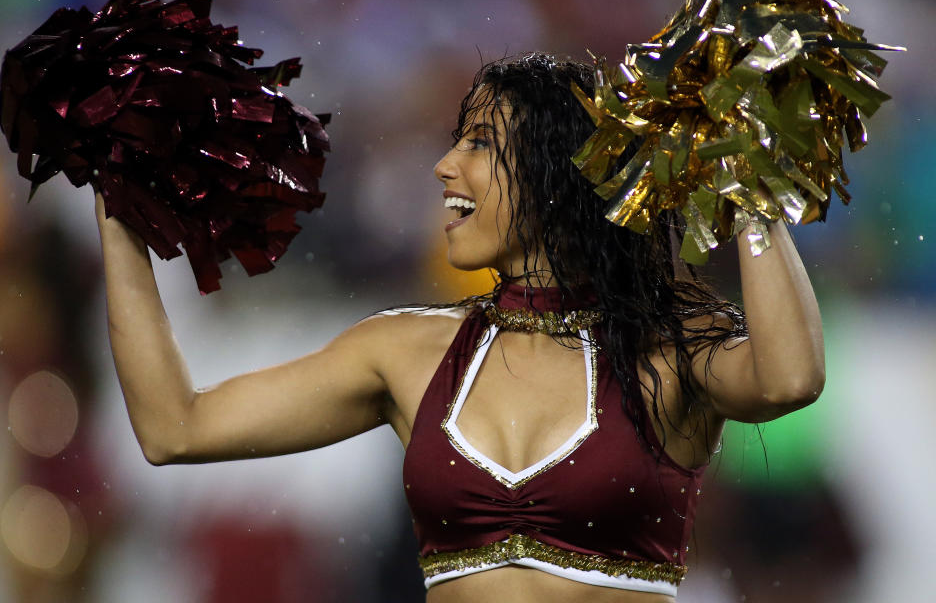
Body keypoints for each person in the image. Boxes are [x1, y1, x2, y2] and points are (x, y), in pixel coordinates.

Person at [94, 53, 824, 602]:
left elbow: (790, 377)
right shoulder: (404, 351)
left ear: (556, 173)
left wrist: (745, 180)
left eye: (478, 143)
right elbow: (174, 428)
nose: (444, 165)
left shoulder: (666, 347)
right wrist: (121, 208)